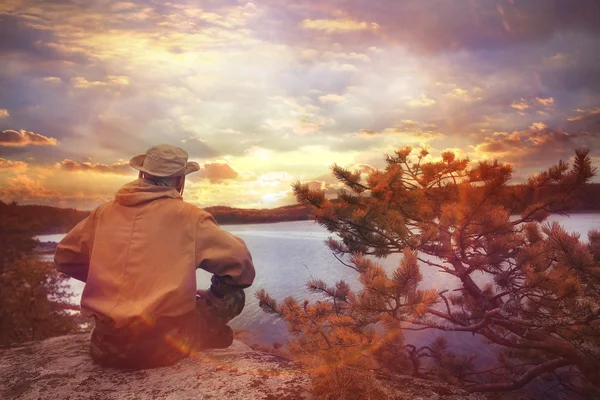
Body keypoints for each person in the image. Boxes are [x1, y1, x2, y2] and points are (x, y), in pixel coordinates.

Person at [54, 144, 255, 369]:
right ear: (180, 181)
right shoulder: (190, 218)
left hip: (105, 346)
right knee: (234, 296)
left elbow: (65, 258)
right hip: (157, 348)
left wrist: (108, 279)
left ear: (141, 174)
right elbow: (242, 269)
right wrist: (208, 292)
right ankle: (196, 340)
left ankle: (198, 338)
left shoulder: (103, 213)